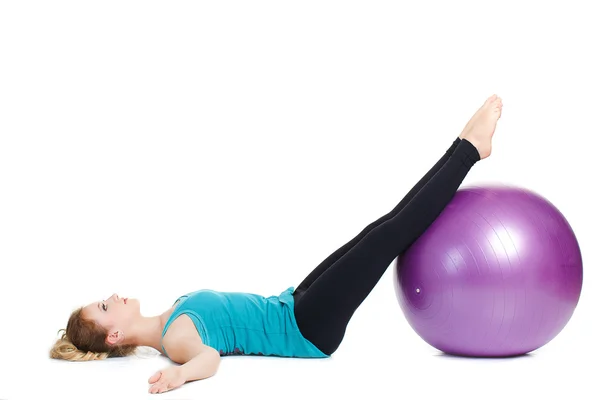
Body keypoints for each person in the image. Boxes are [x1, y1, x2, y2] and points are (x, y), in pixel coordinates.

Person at [50, 94, 503, 394]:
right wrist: (179, 376)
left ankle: (467, 147)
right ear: (114, 335)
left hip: (293, 304)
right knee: (392, 233)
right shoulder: (177, 338)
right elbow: (208, 360)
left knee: (383, 226)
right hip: (307, 327)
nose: (111, 297)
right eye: (105, 307)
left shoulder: (173, 316)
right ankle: (468, 148)